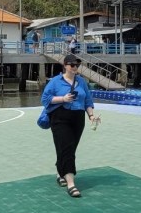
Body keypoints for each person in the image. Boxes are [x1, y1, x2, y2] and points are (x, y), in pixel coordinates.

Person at [41, 54, 99, 198]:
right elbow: (45, 99)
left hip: (78, 118)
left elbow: (88, 101)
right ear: (65, 65)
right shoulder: (55, 81)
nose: (75, 68)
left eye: (77, 65)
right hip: (60, 118)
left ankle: (60, 172)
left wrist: (91, 115)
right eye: (72, 65)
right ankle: (71, 183)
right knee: (66, 148)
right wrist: (63, 98)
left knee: (69, 148)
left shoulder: (81, 82)